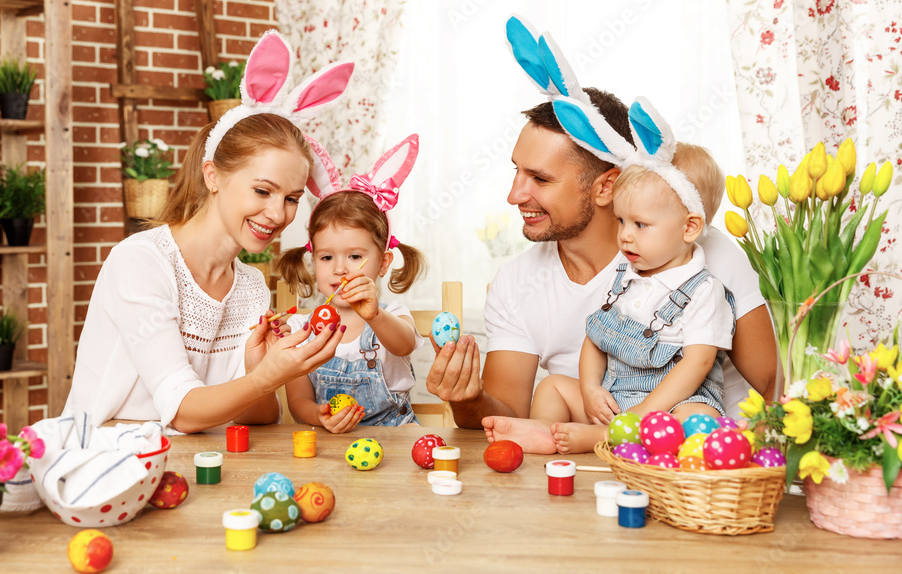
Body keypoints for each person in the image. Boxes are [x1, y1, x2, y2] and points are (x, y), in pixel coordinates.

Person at [425, 18, 776, 438]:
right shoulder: (517, 283)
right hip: (590, 462)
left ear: (606, 186)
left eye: (539, 179)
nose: (514, 195)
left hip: (692, 472)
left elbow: (774, 390)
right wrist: (466, 398)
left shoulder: (702, 252)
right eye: (516, 172)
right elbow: (506, 414)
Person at [64, 32, 355, 432]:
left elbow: (262, 416)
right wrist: (267, 377)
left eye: (291, 198)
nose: (277, 214)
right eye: (262, 190)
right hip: (112, 467)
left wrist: (261, 368)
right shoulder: (141, 262)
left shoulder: (250, 284)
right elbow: (182, 411)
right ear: (213, 175)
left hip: (199, 468)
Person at [485, 133, 736, 453]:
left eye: (640, 225)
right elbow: (596, 336)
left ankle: (599, 439)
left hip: (672, 404)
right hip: (616, 398)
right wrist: (590, 389)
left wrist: (640, 417)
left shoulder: (704, 290)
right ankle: (546, 430)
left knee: (698, 421)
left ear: (689, 228)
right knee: (553, 386)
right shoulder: (627, 277)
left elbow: (697, 365)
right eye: (621, 221)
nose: (625, 236)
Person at [276, 135, 427, 432]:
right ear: (313, 260)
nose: (340, 269)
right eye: (327, 257)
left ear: (383, 263)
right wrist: (319, 416)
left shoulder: (393, 314)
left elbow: (404, 344)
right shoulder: (298, 331)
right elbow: (298, 402)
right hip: (331, 443)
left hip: (394, 437)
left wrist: (374, 315)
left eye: (355, 256)